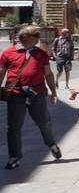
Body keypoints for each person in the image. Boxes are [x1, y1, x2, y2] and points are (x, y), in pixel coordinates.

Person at [1, 24, 63, 169]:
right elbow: (1, 73)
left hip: (37, 92)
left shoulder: (41, 53)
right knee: (14, 127)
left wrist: (53, 92)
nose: (38, 38)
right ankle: (14, 156)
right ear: (25, 37)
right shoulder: (8, 53)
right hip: (16, 93)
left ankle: (51, 144)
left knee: (44, 123)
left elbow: (48, 73)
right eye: (36, 35)